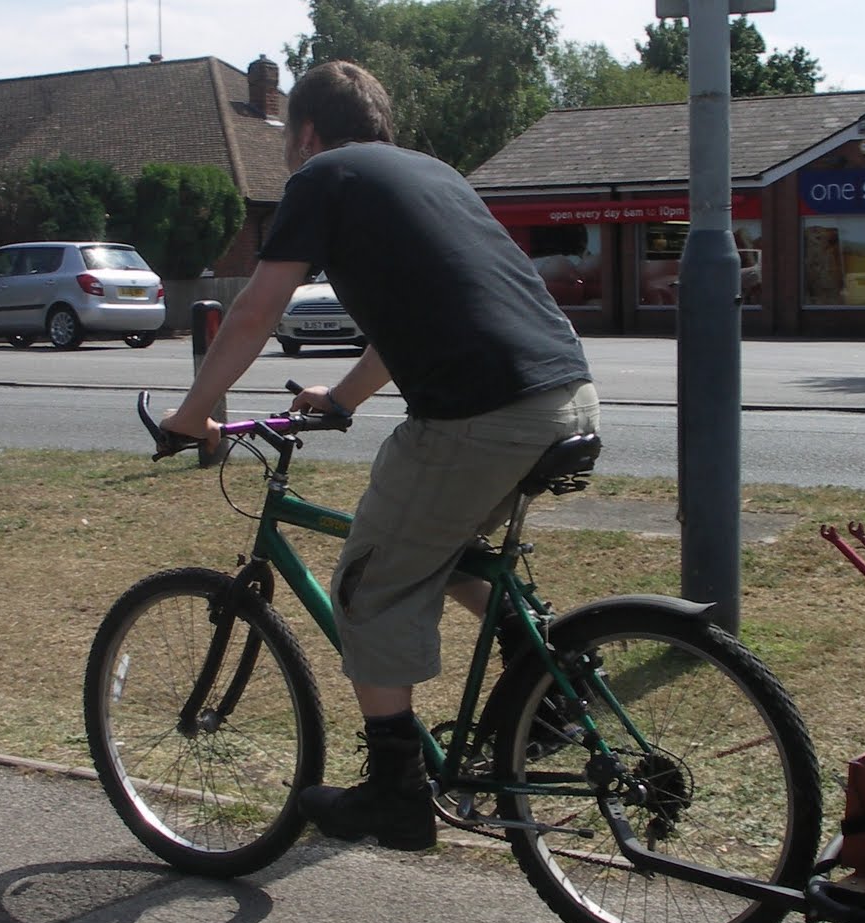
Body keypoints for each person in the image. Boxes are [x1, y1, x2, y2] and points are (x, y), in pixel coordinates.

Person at [161, 61, 599, 852]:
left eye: (294, 144)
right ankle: (550, 681)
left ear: (304, 133)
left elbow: (260, 305)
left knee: (366, 584)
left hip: (483, 413)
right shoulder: (432, 175)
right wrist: (344, 400)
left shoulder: (323, 176)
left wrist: (193, 415)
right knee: (441, 543)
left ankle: (396, 792)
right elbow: (422, 315)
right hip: (565, 393)